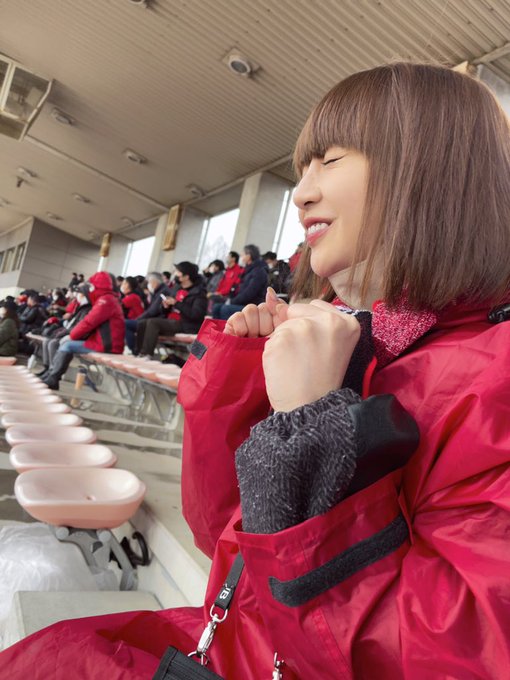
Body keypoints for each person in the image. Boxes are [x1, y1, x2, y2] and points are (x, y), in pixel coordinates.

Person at [3, 62, 510, 679]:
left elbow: (448, 657)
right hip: (235, 642)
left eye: (330, 160)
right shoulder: (359, 342)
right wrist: (240, 381)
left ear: (427, 171)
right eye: (301, 170)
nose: (301, 193)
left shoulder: (491, 380)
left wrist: (310, 425)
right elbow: (220, 536)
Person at [42, 272, 125, 390]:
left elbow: (89, 322)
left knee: (67, 345)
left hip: (108, 345)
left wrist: (71, 336)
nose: (90, 289)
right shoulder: (107, 299)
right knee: (65, 344)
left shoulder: (106, 300)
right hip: (103, 342)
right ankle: (52, 376)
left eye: (92, 286)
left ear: (98, 286)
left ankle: (53, 378)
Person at [135, 261, 207, 357]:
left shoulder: (199, 293)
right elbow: (167, 310)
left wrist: (176, 303)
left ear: (186, 277)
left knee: (153, 322)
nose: (175, 274)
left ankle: (146, 354)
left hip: (187, 325)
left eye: (178, 272)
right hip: (172, 321)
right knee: (143, 323)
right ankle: (138, 353)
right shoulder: (177, 288)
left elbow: (196, 315)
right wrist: (165, 306)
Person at [36, 287, 92, 379]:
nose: (77, 295)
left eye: (80, 293)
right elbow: (71, 323)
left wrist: (63, 332)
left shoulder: (87, 309)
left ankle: (53, 372)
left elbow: (78, 327)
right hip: (69, 332)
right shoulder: (81, 307)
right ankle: (47, 368)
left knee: (53, 343)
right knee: (47, 340)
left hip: (76, 336)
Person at [212, 244, 268, 320]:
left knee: (225, 309)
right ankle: (217, 327)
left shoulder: (258, 272)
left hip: (252, 305)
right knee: (216, 307)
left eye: (243, 255)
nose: (241, 257)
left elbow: (249, 293)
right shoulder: (249, 270)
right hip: (244, 303)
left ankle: (228, 328)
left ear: (248, 256)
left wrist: (232, 301)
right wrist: (230, 298)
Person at [121, 276, 146, 353]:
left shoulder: (132, 297)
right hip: (136, 321)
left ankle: (133, 349)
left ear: (129, 286)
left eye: (124, 283)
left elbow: (116, 306)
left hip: (138, 322)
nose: (122, 285)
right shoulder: (133, 296)